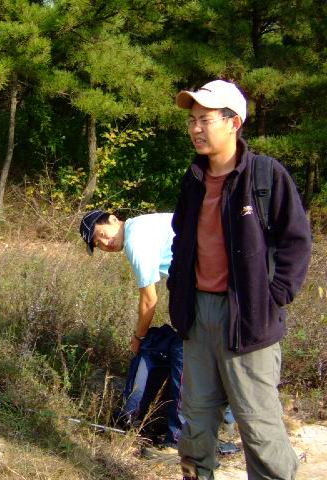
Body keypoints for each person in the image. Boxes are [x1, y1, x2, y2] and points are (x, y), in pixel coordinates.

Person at [168, 79, 311, 480]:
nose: (196, 128)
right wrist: (178, 292)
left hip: (249, 320)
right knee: (195, 423)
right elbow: (181, 239)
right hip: (198, 315)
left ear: (234, 123)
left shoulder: (265, 175)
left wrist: (273, 296)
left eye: (205, 119)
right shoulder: (193, 179)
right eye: (192, 121)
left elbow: (296, 241)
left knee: (258, 427)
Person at [80, 211, 182, 447]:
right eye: (98, 244)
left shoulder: (136, 239)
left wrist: (139, 337)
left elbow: (149, 300)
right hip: (216, 279)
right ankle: (225, 421)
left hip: (215, 285)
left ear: (113, 219)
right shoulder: (144, 225)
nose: (105, 243)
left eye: (101, 235)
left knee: (184, 353)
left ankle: (179, 440)